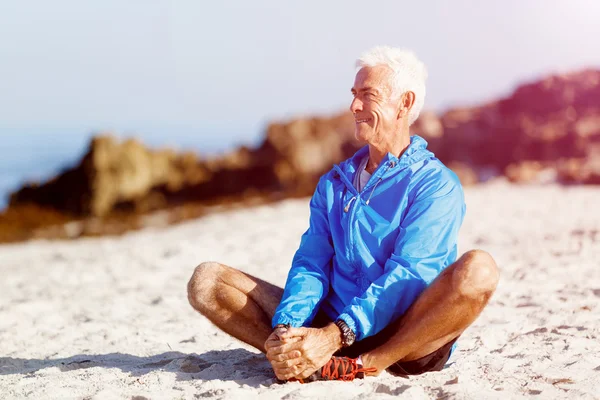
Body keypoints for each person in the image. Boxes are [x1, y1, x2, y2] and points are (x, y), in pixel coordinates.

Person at [187, 45, 499, 383]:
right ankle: (302, 358)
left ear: (404, 104)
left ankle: (367, 364)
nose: (354, 106)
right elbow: (311, 262)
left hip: (405, 338)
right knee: (207, 281)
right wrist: (285, 328)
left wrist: (337, 334)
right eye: (354, 94)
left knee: (479, 270)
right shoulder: (334, 183)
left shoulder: (435, 184)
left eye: (368, 94)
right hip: (331, 327)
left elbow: (410, 274)